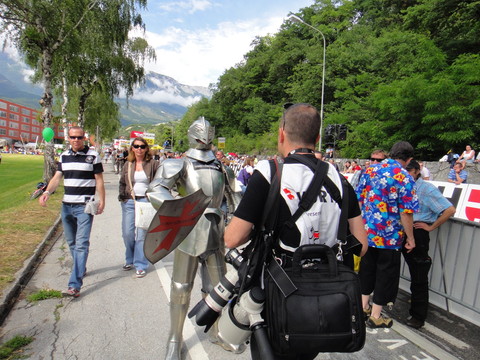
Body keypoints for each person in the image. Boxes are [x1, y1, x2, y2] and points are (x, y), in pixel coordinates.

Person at [225, 103, 368, 360]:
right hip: (323, 294)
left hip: (278, 292)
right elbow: (360, 243)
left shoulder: (269, 173)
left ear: (282, 134)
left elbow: (233, 238)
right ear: (317, 138)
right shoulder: (340, 178)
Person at [147, 117, 241, 360]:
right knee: (181, 288)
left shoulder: (223, 168)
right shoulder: (179, 163)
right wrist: (180, 208)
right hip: (187, 231)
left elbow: (236, 199)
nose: (205, 135)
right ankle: (174, 338)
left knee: (217, 288)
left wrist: (239, 224)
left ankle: (215, 330)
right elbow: (156, 190)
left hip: (216, 231)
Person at [356, 141, 419, 328]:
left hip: (368, 232)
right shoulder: (405, 177)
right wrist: (411, 237)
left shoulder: (370, 171)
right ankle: (376, 316)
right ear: (409, 159)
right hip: (390, 237)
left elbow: (359, 200)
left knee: (366, 271)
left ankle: (362, 307)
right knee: (385, 274)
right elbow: (406, 212)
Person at [39, 126, 105, 297]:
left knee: (82, 243)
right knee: (72, 243)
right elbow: (57, 177)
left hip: (84, 206)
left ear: (84, 138)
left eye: (79, 137)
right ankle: (80, 268)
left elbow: (99, 180)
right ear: (68, 138)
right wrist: (47, 192)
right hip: (66, 205)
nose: (76, 140)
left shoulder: (93, 156)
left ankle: (74, 285)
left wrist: (102, 200)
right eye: (73, 137)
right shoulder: (64, 156)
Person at [403, 160, 455, 329]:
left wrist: (431, 226)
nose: (406, 173)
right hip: (401, 231)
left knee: (419, 275)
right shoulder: (402, 186)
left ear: (417, 171)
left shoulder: (427, 189)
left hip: (418, 233)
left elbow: (449, 209)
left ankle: (418, 316)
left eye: (409, 170)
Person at [118, 137, 160, 278]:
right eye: (136, 146)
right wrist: (122, 197)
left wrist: (154, 197)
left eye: (142, 146)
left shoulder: (154, 164)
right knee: (127, 233)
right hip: (130, 201)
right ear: (132, 148)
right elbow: (123, 182)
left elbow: (159, 182)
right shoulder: (128, 164)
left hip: (146, 202)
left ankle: (140, 264)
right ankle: (129, 258)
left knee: (141, 235)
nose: (139, 149)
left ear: (146, 148)